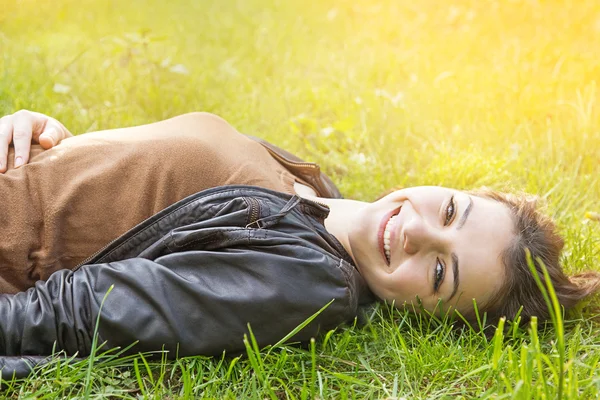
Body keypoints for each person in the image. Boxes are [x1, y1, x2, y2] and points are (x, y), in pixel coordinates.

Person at [0, 110, 597, 378]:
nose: (418, 232)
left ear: (429, 316)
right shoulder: (314, 192)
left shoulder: (305, 283)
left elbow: (78, 311)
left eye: (441, 273)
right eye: (450, 210)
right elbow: (135, 189)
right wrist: (51, 139)